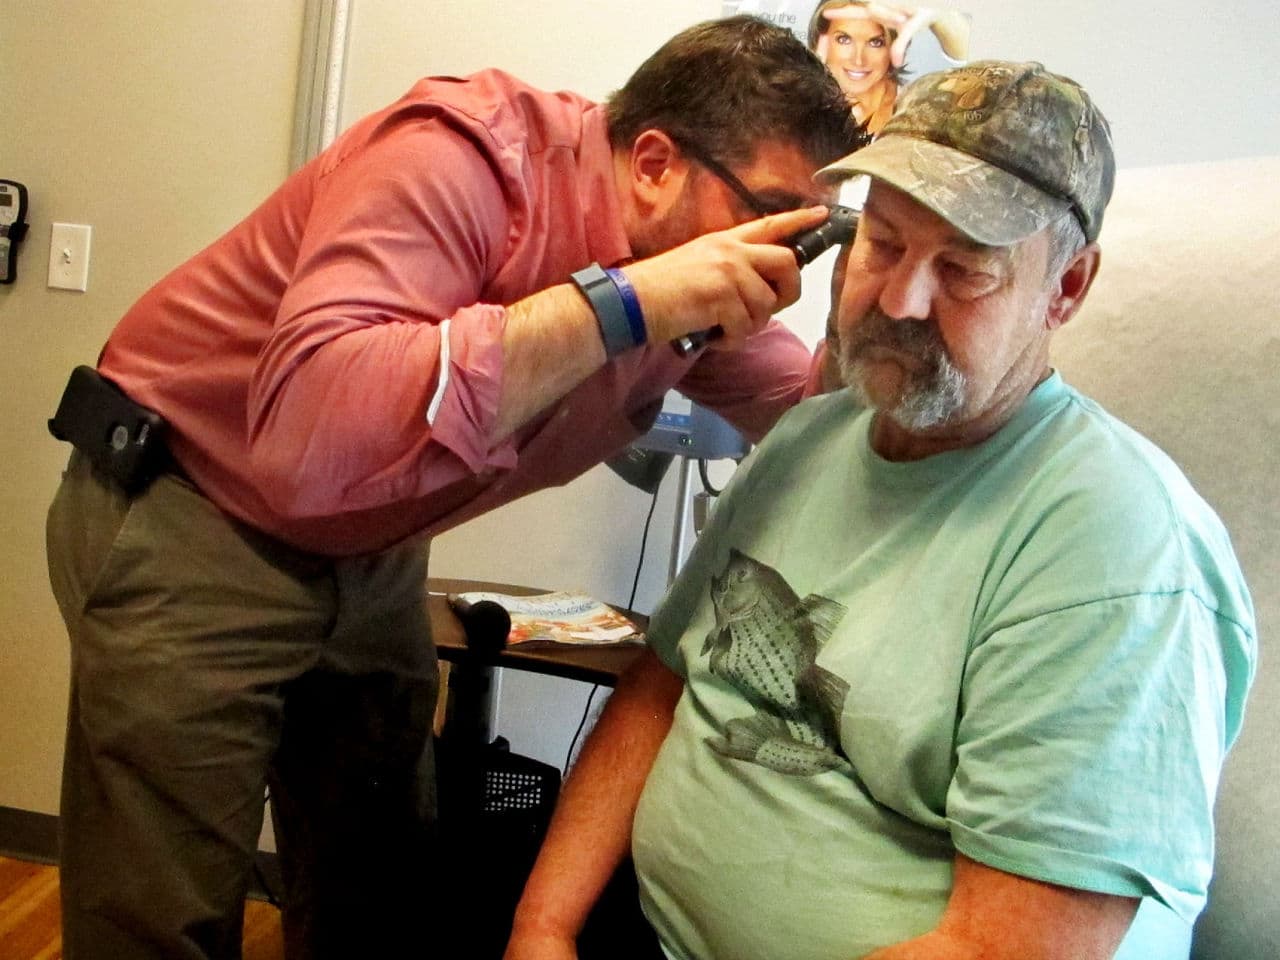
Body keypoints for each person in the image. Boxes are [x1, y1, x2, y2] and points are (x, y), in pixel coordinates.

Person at [44, 15, 863, 960]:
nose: (781, 265)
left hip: (371, 552)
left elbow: (816, 423)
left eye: (808, 235)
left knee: (379, 882)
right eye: (769, 215)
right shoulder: (458, 159)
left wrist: (865, 304)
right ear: (652, 163)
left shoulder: (700, 280)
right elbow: (313, 429)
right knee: (156, 911)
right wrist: (626, 305)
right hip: (195, 511)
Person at [504, 61, 1257, 960]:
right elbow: (658, 693)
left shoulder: (1121, 558)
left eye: (965, 271)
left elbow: (1000, 950)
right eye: (885, 243)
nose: (899, 300)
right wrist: (541, 928)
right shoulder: (812, 437)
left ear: (1066, 289)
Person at [808, 0, 970, 134]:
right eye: (844, 39)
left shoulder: (922, 115)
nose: (858, 60)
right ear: (820, 41)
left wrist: (940, 15)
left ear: (894, 46)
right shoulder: (798, 113)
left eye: (875, 42)